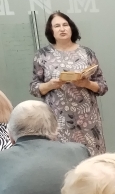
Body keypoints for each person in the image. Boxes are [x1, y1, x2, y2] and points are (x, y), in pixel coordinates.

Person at [31, 11, 108, 156]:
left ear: (71, 27)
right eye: (57, 26)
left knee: (92, 160)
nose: (62, 29)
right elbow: (34, 87)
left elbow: (102, 86)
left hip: (88, 119)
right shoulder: (43, 55)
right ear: (51, 31)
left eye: (65, 25)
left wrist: (86, 84)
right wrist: (50, 85)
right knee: (62, 159)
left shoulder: (87, 53)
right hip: (58, 119)